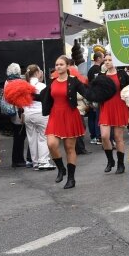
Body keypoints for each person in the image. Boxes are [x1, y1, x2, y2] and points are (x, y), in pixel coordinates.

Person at [40, 56, 115, 189]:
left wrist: (101, 93)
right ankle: (61, 169)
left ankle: (71, 178)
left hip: (70, 115)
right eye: (57, 65)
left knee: (70, 148)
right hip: (55, 116)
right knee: (51, 144)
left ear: (68, 66)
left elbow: (87, 93)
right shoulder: (52, 82)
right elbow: (42, 96)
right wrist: (25, 94)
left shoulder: (74, 81)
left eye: (61, 64)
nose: (58, 67)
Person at [99, 53, 129, 174]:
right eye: (105, 60)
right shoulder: (101, 76)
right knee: (104, 136)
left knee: (118, 137)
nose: (107, 62)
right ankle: (110, 160)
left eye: (110, 60)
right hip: (106, 107)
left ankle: (121, 164)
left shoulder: (122, 74)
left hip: (119, 106)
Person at [24, 65, 52, 170]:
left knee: (32, 139)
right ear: (36, 73)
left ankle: (35, 162)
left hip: (27, 114)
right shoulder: (41, 86)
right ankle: (43, 161)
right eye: (40, 71)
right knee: (43, 137)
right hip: (40, 114)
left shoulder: (24, 86)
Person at [4, 63, 28, 168]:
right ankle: (18, 160)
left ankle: (17, 159)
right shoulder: (18, 82)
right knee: (20, 137)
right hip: (19, 112)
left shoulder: (7, 81)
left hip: (12, 112)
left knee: (17, 136)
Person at [86, 49, 105, 145]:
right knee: (97, 116)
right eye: (103, 57)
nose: (104, 59)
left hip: (91, 94)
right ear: (98, 58)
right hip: (96, 95)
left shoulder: (90, 70)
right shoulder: (97, 70)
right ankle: (98, 137)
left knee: (93, 116)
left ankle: (94, 136)